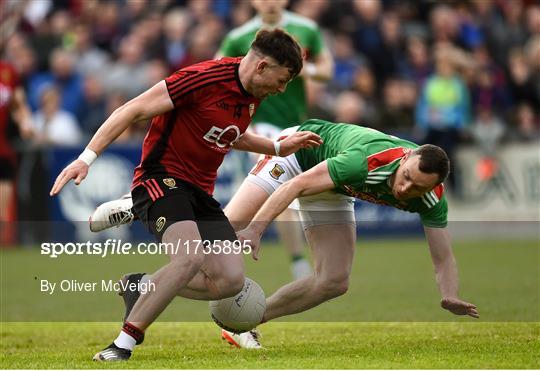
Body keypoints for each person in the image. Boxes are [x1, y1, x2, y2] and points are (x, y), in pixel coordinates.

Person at [50, 29, 322, 361]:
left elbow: (230, 133)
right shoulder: (201, 79)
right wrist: (85, 158)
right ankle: (122, 344)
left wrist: (277, 146)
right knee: (189, 258)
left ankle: (141, 285)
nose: (281, 90)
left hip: (201, 192)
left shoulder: (254, 91)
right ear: (262, 66)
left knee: (230, 281)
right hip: (162, 178)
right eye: (282, 80)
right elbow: (132, 110)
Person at [90, 119, 479, 350]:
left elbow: (443, 256)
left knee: (334, 281)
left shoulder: (431, 199)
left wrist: (449, 294)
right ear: (407, 158)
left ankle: (242, 323)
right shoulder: (365, 161)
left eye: (414, 189)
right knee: (222, 234)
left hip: (333, 186)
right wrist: (257, 229)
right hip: (298, 158)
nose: (403, 190)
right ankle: (142, 200)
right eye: (405, 177)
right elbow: (294, 188)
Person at [217, 0, 335, 280]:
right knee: (275, 184)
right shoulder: (239, 36)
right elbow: (217, 69)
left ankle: (212, 251)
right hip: (258, 125)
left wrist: (304, 70)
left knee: (270, 192)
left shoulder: (306, 29)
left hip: (295, 122)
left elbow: (327, 70)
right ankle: (298, 264)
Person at [0, 59, 34, 246]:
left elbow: (18, 104)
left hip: (2, 150)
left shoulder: (8, 70)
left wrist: (25, 122)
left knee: (2, 209)